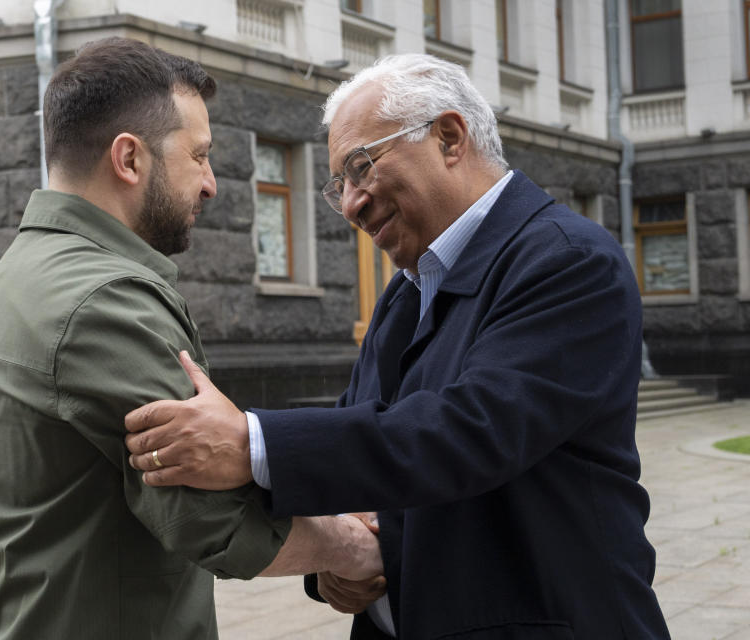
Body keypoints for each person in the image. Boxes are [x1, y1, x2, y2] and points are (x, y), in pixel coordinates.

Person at [124, 53, 671, 639]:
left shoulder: (567, 258)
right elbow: (369, 438)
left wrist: (250, 441)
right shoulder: (411, 285)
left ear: (450, 137)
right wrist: (338, 558)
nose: (353, 204)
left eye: (362, 168)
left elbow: (467, 433)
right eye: (340, 186)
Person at [0, 37, 382, 640]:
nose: (210, 184)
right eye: (199, 155)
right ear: (129, 159)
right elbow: (210, 521)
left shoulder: (14, 278)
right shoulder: (106, 301)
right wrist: (355, 549)